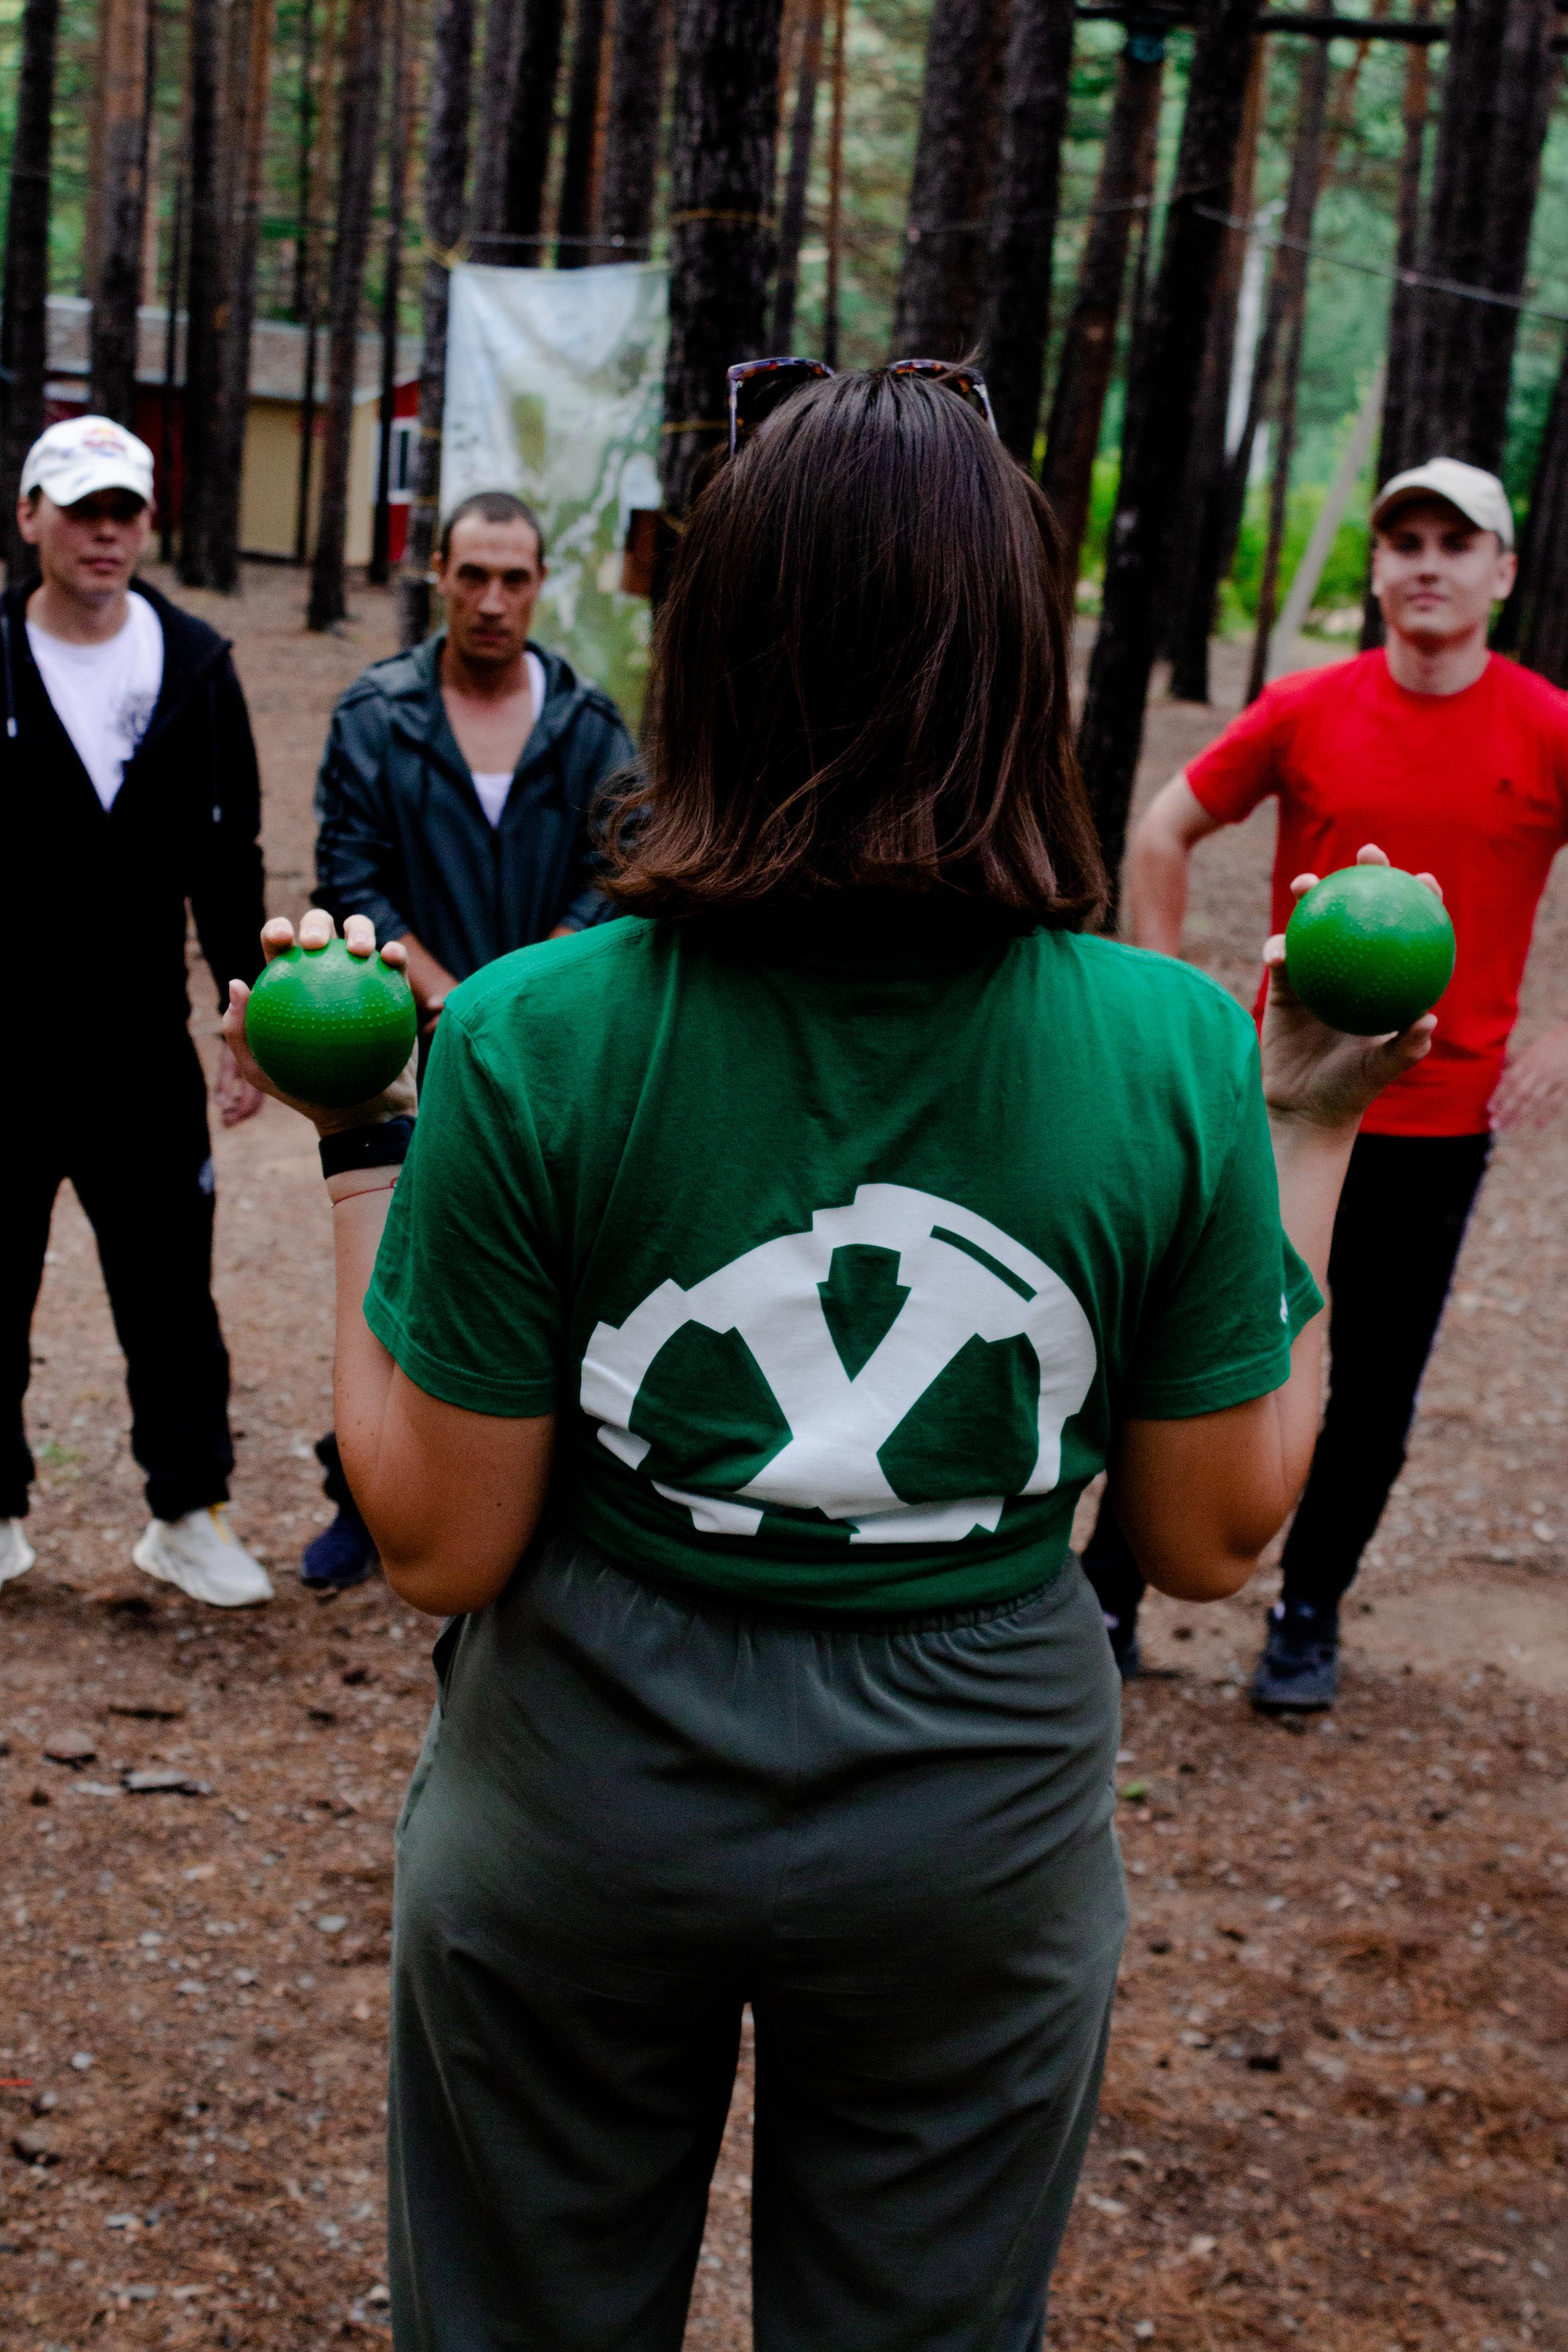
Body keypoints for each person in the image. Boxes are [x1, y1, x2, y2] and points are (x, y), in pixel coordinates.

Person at [223, 363, 1429, 2349]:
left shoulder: (532, 1033)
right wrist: (1307, 1123)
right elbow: (1215, 1540)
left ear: (717, 657)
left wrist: (365, 1139)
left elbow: (438, 1543)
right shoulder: (1173, 1052)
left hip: (585, 1788)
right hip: (978, 1823)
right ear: (1016, 672)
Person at [1085, 454, 1568, 1712]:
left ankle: (1306, 1615)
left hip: (1435, 1120)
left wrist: (1561, 1032)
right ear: (1377, 569)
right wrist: (1173, 1004)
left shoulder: (1546, 726)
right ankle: (1107, 1594)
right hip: (1283, 1108)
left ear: (1501, 572)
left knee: (1373, 1391)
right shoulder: (1305, 707)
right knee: (1197, 1345)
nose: (1425, 564)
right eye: (1403, 541)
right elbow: (1163, 829)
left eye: (1454, 543)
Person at [302, 488, 634, 1590]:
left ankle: (534, 1499)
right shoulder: (377, 715)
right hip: (418, 1046)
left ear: (540, 587)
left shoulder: (590, 726)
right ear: (437, 574)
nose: (493, 600)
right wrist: (457, 997)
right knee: (395, 1266)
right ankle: (364, 1496)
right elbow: (349, 871)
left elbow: (618, 872)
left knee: (554, 1278)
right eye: (474, 575)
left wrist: (533, 991)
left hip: (561, 1058)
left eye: (515, 579)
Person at [1, 414, 272, 1608]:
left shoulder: (197, 666)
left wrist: (242, 1016)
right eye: (80, 511)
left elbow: (231, 857)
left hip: (140, 1051)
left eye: (124, 511)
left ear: (148, 523)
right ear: (31, 519)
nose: (104, 533)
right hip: (4, 1051)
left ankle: (186, 1514)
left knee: (169, 1295)